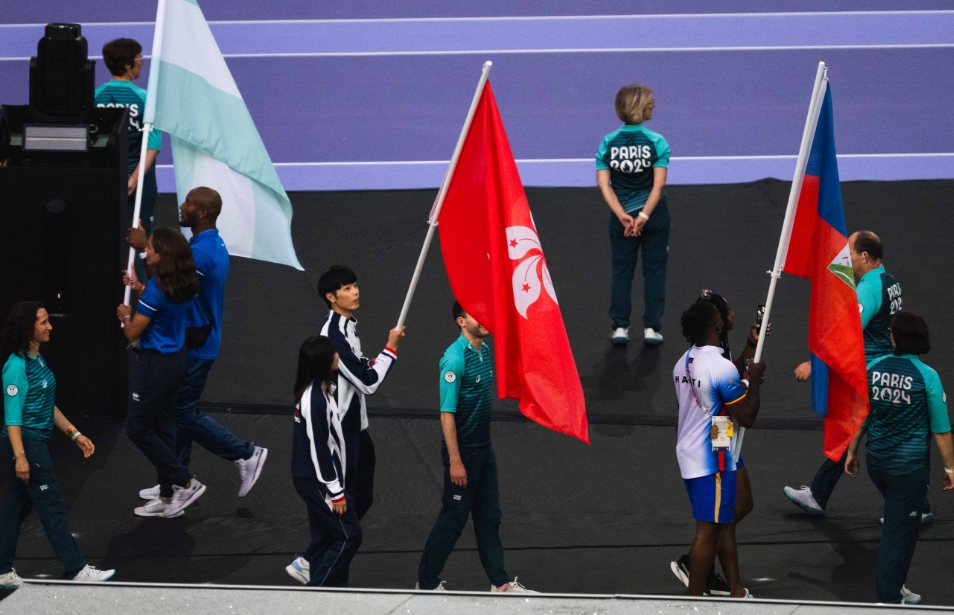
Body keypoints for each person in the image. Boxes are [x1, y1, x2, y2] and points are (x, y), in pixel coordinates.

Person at [127, 188, 267, 503]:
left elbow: (164, 284)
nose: (182, 205)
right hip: (192, 340)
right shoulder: (204, 244)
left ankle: (245, 454)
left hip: (197, 345)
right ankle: (174, 479)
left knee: (181, 411)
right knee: (174, 412)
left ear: (202, 213)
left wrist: (145, 245)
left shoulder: (201, 254)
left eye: (189, 203)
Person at [783, 231, 929, 520]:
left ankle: (916, 508)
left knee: (873, 440)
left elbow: (846, 334)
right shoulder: (890, 280)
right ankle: (819, 495)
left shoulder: (869, 289)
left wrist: (814, 364)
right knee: (854, 431)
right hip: (886, 368)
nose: (845, 258)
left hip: (870, 375)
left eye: (849, 253)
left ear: (864, 256)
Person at [285, 266, 404, 584]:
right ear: (331, 296)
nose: (355, 292)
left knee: (360, 500)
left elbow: (359, 364)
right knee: (344, 521)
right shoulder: (333, 336)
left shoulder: (349, 325)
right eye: (348, 288)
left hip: (357, 429)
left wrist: (372, 359)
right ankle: (324, 579)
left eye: (355, 285)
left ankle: (311, 560)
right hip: (342, 437)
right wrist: (390, 348)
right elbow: (368, 383)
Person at [416, 302, 533, 593]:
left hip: (484, 448)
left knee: (489, 516)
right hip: (463, 451)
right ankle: (426, 585)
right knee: (453, 518)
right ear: (460, 321)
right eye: (476, 315)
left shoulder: (484, 351)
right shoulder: (454, 360)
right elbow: (446, 413)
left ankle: (500, 584)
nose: (484, 319)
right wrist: (455, 460)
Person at [0, 302, 115, 588]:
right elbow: (12, 418)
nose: (50, 326)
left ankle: (1, 570)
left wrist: (75, 435)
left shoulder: (36, 358)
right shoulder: (16, 367)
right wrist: (21, 457)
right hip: (26, 444)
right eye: (43, 322)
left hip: (33, 442)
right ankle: (76, 568)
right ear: (28, 328)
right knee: (52, 505)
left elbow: (47, 405)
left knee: (16, 509)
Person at [844, 312, 953, 605]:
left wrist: (852, 450)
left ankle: (897, 587)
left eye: (892, 332)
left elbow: (862, 414)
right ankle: (888, 600)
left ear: (898, 338)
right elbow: (941, 429)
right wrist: (950, 467)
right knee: (896, 534)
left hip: (877, 463)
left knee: (909, 524)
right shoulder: (927, 376)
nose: (889, 335)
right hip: (908, 470)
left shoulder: (874, 367)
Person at [670, 291, 766, 596]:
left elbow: (718, 390)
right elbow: (747, 416)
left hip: (705, 440)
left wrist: (748, 367)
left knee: (729, 514)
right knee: (709, 528)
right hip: (711, 451)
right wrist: (754, 381)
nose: (732, 314)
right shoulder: (719, 367)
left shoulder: (683, 362)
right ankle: (694, 598)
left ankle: (736, 590)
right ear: (717, 325)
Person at [116, 228, 206, 519]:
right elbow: (161, 303)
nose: (148, 251)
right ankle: (168, 498)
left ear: (162, 255)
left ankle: (185, 482)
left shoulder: (156, 289)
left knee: (138, 427)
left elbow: (131, 332)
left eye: (151, 248)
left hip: (156, 364)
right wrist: (141, 287)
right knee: (165, 428)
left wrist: (125, 314)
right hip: (178, 360)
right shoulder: (182, 283)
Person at [596, 84, 671, 347]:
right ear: (640, 106)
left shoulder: (608, 142)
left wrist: (622, 215)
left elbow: (604, 184)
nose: (654, 104)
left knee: (621, 270)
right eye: (650, 101)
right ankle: (652, 328)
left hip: (621, 219)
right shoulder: (657, 141)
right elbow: (658, 184)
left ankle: (620, 328)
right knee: (654, 271)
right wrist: (645, 216)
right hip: (654, 216)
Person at [288, 336, 362, 587]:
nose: (338, 356)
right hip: (318, 481)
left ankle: (307, 564)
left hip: (314, 478)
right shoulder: (315, 400)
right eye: (333, 354)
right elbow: (318, 449)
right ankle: (316, 591)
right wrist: (336, 492)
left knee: (328, 533)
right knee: (349, 536)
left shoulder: (318, 389)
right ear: (322, 361)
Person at [95, 38, 162, 282]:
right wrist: (134, 178)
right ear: (127, 65)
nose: (142, 63)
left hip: (105, 177)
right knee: (141, 236)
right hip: (141, 181)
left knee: (105, 233)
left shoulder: (94, 97)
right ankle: (141, 292)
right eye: (139, 58)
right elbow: (153, 145)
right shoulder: (145, 99)